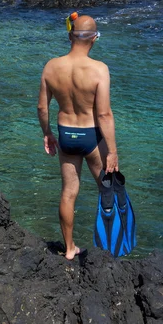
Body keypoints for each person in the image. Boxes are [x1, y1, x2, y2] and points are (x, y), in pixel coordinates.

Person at [37, 13, 119, 260]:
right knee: (108, 192)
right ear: (94, 39)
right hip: (91, 136)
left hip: (65, 135)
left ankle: (70, 249)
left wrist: (48, 134)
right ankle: (109, 250)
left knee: (68, 192)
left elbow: (42, 107)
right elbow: (103, 114)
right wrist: (112, 151)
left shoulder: (51, 66)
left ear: (70, 36)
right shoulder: (99, 70)